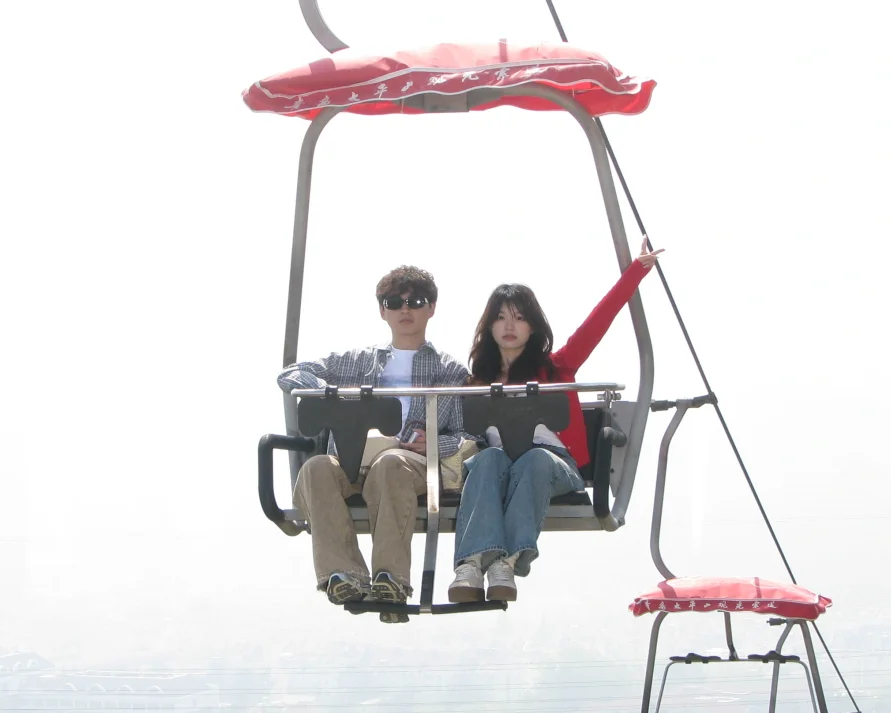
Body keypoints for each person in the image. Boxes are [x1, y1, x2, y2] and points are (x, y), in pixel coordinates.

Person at [448, 238, 663, 603]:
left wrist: (636, 270)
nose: (509, 326)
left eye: (519, 317)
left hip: (553, 465)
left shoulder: (556, 367)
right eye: (501, 317)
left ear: (533, 325)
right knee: (486, 459)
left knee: (533, 458)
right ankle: (470, 564)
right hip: (502, 465)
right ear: (489, 327)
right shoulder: (478, 383)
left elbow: (599, 322)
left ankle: (508, 559)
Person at [278, 265, 473, 623]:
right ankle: (343, 574)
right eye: (394, 302)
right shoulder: (356, 363)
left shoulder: (450, 371)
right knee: (317, 468)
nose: (405, 310)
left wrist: (432, 444)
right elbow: (291, 374)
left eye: (415, 301)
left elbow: (466, 436)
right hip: (353, 459)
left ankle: (391, 579)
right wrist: (331, 396)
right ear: (382, 310)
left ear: (431, 308)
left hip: (410, 464)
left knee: (390, 464)